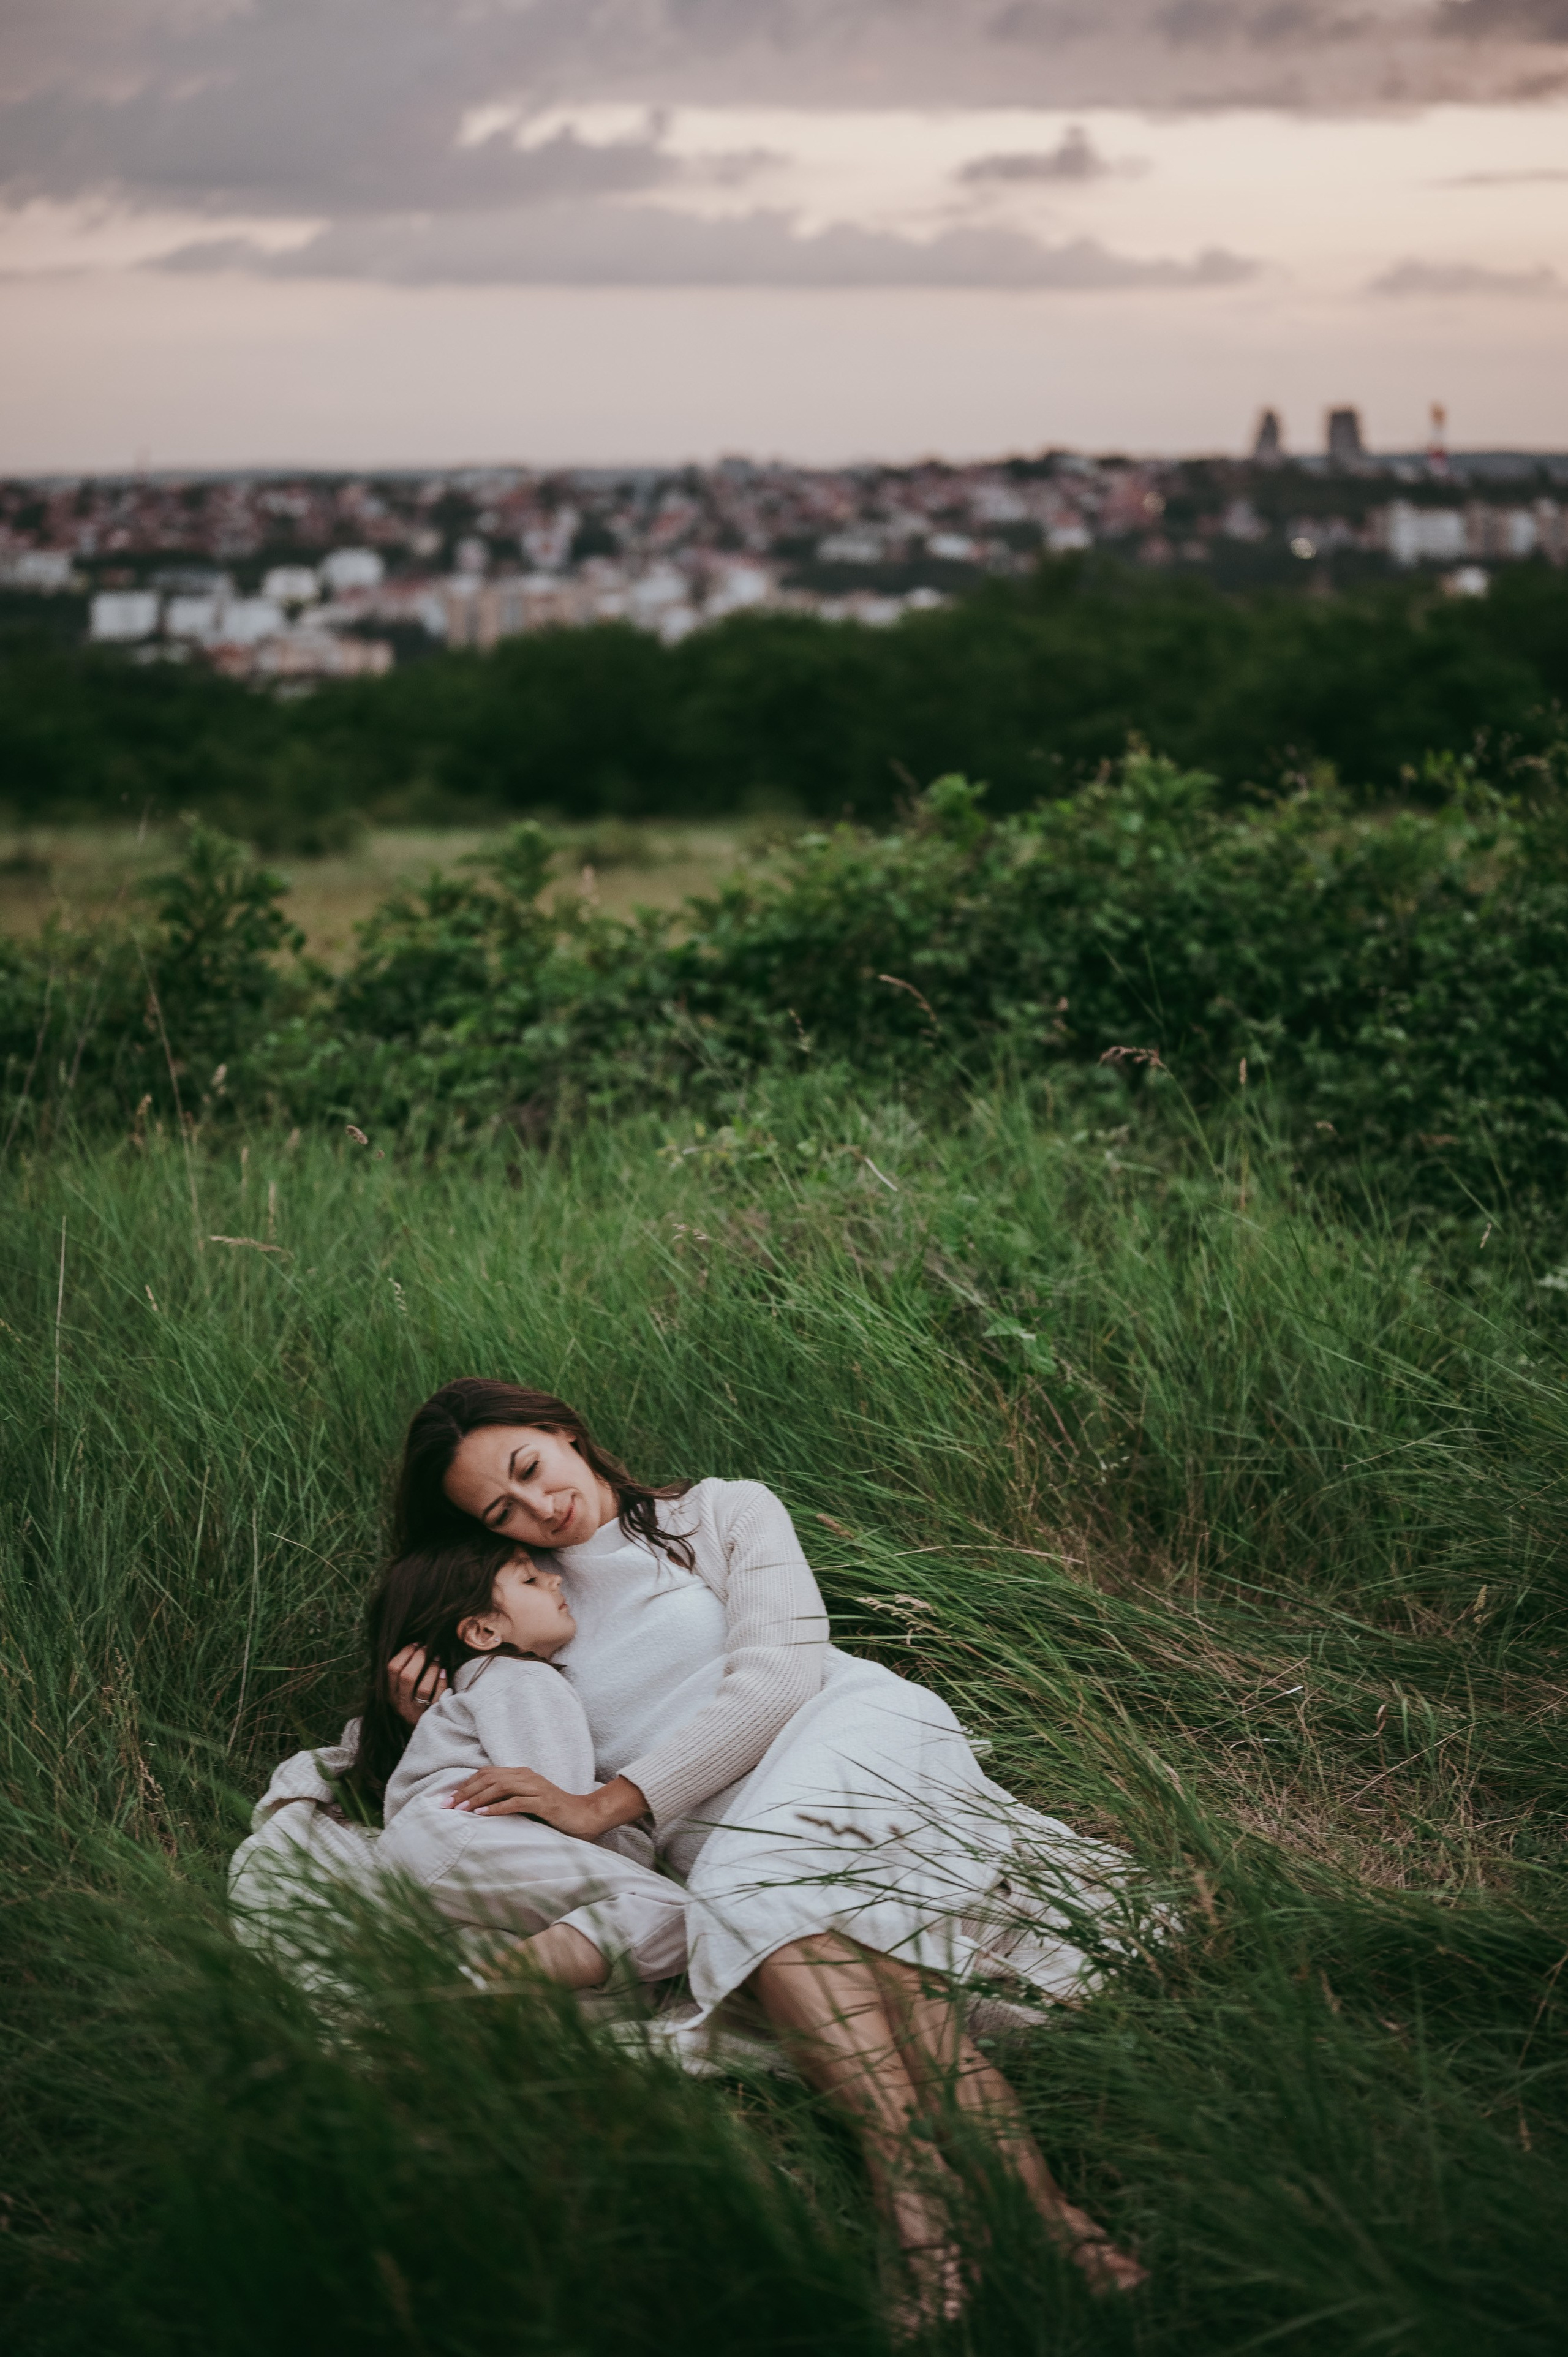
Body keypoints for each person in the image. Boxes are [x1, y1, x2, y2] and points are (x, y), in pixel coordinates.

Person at [391, 1378, 1150, 2312]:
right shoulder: (513, 1605)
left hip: (846, 1731)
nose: (540, 1510)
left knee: (748, 1889)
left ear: (562, 1432)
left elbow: (780, 1674)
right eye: (502, 1508)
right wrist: (420, 1706)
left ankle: (913, 2208)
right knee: (870, 1948)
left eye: (531, 1467)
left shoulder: (721, 1514)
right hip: (727, 1829)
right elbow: (484, 1746)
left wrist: (611, 1804)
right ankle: (1045, 2217)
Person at [231, 1532, 685, 1998]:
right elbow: (561, 1802)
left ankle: (472, 1992)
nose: (553, 1579)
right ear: (483, 1632)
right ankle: (474, 2002)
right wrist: (636, 1847)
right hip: (469, 1831)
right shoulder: (525, 1678)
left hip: (413, 1850)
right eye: (529, 1578)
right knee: (681, 1913)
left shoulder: (464, 1695)